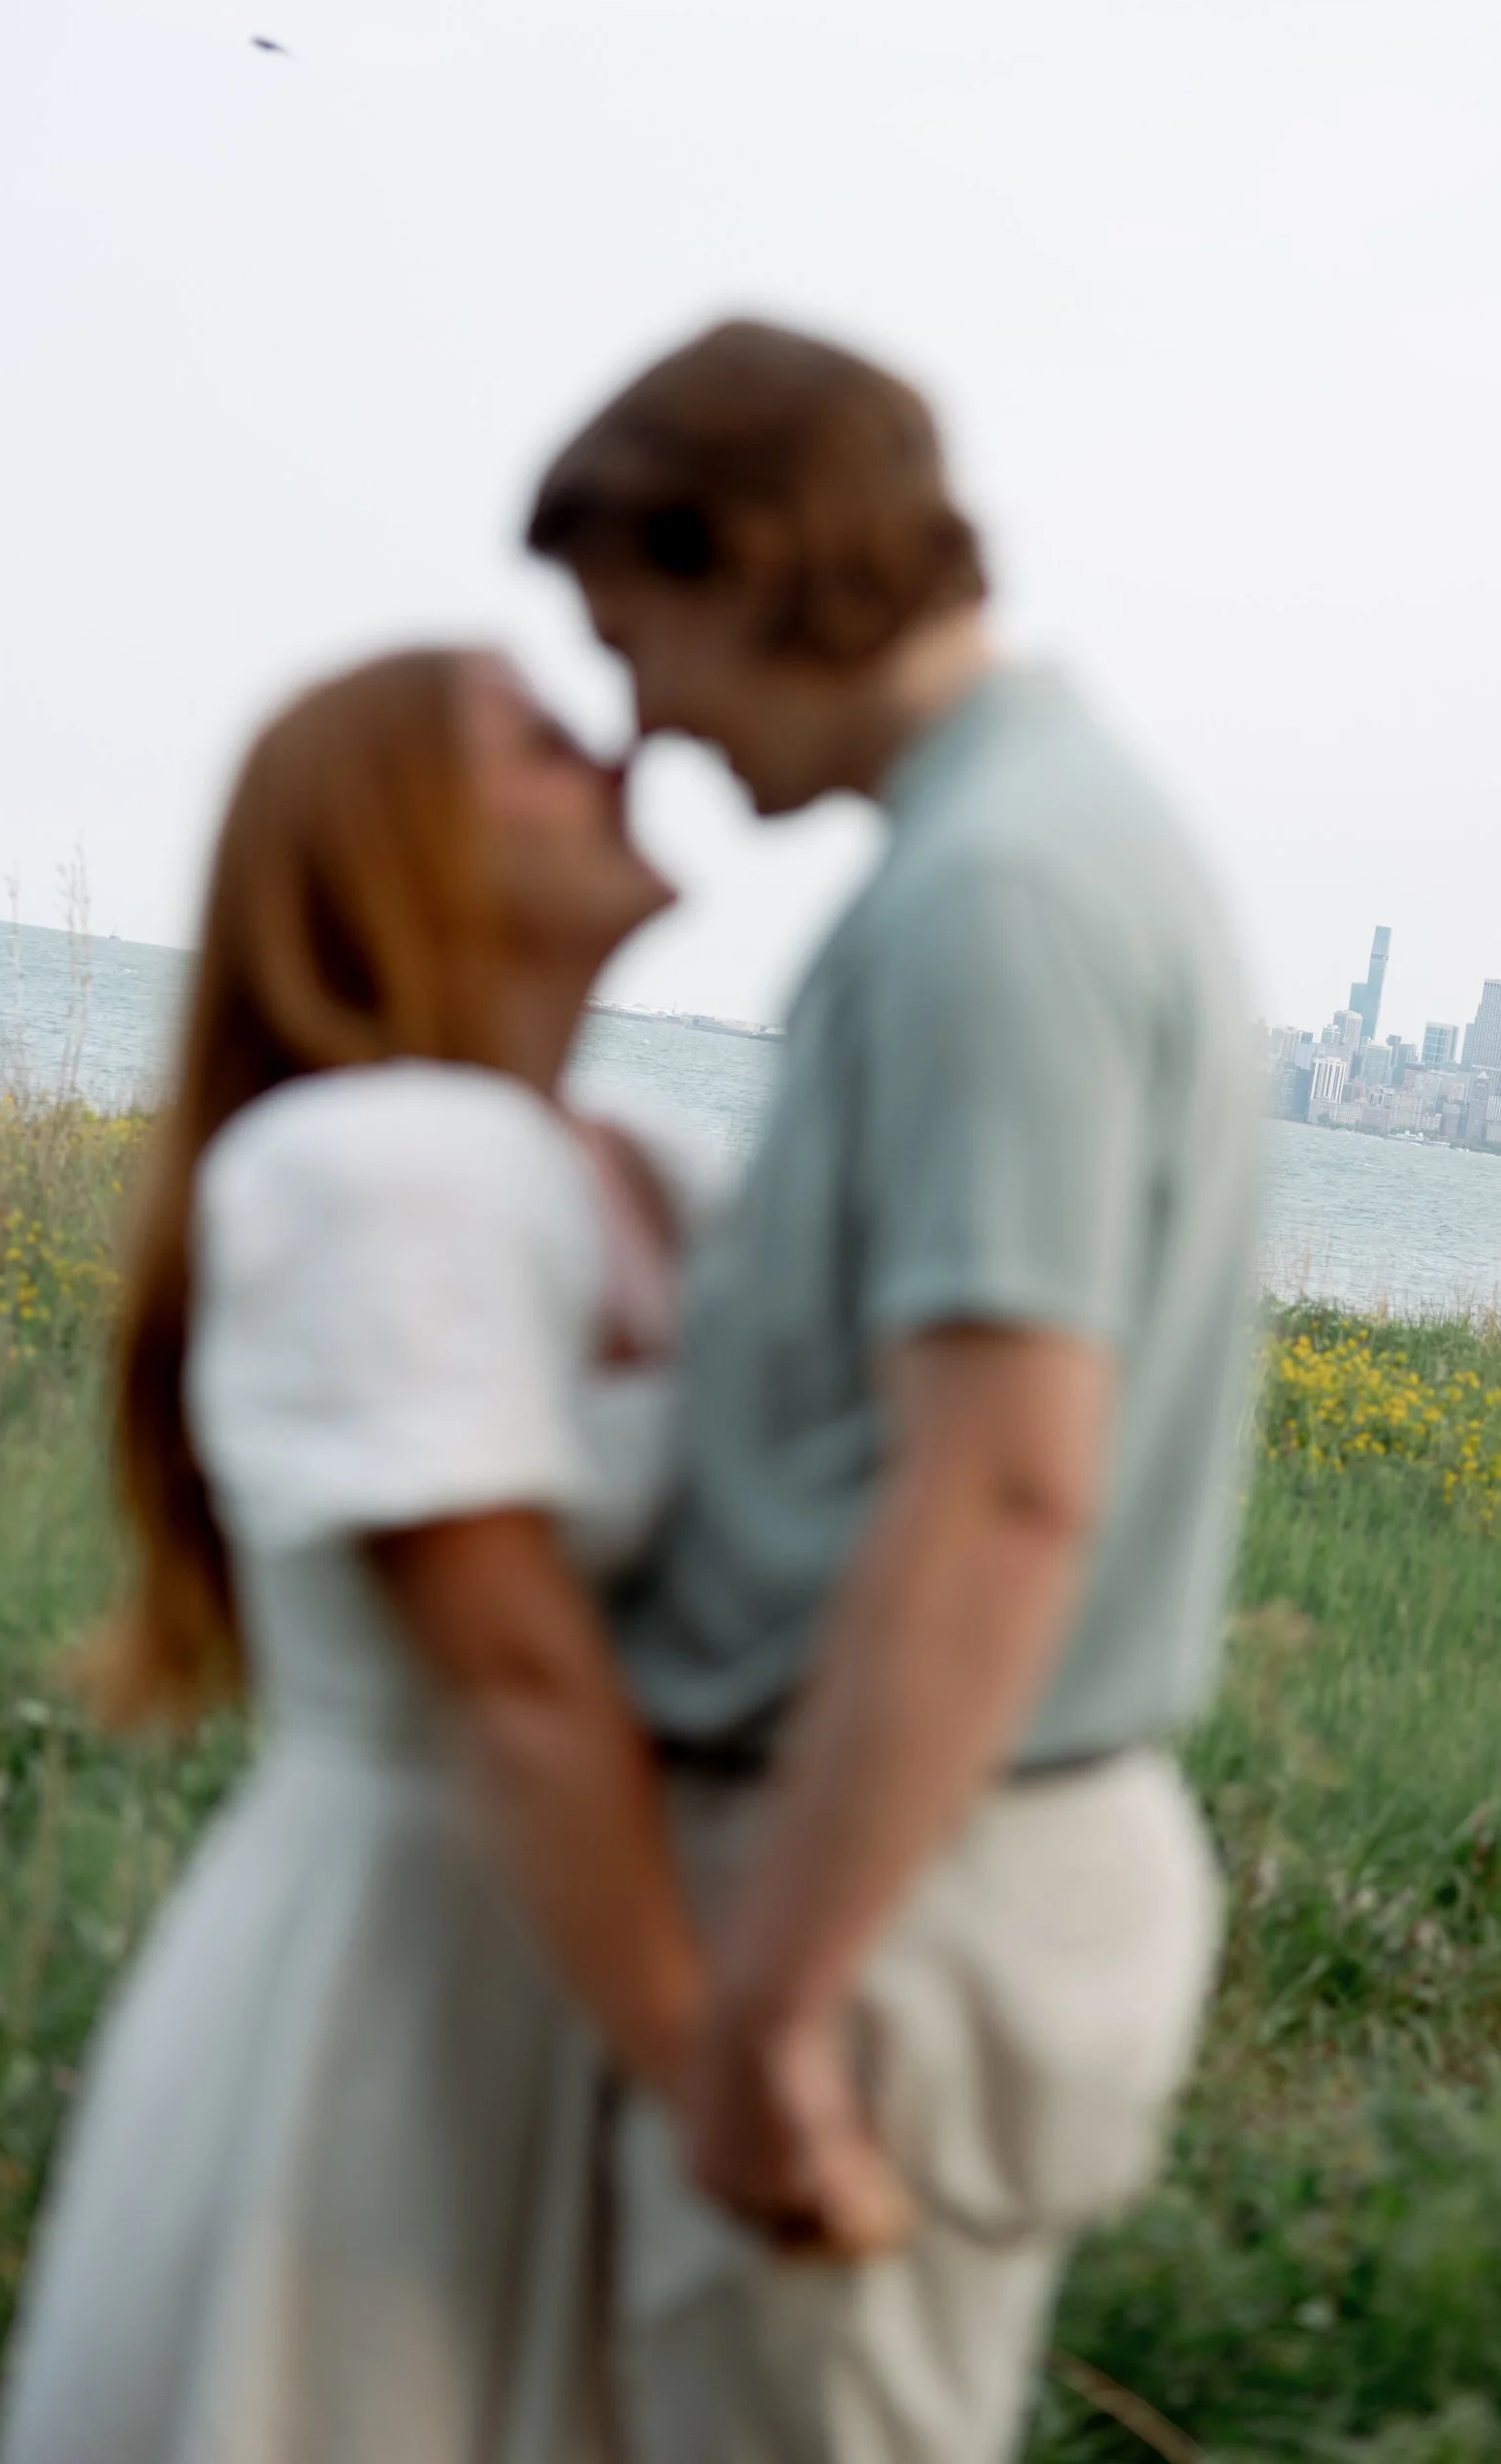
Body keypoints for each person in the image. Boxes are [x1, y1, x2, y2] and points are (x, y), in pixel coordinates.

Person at [528, 319, 1259, 2464]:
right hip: (919, 1877)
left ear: (753, 559)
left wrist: (761, 2009)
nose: (636, 714)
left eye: (630, 629)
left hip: (895, 1910)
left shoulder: (992, 896)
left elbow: (1004, 1492)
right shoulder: (1030, 838)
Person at [0, 649, 710, 2464]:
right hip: (411, 2000)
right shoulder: (380, 1164)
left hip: (583, 1965)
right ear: (406, 851)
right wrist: (721, 2083)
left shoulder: (649, 1168)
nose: (616, 750)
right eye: (545, 743)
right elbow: (519, 1679)